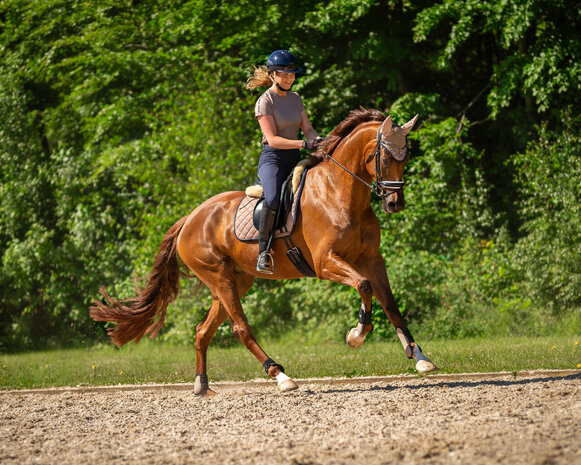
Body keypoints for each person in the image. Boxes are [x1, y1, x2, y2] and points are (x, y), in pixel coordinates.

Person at [246, 49, 323, 274]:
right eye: (284, 74)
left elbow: (307, 128)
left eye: (292, 74)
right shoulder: (264, 102)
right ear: (272, 75)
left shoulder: (295, 98)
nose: (289, 78)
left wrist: (316, 139)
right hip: (274, 159)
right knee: (272, 199)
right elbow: (273, 139)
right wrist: (303, 144)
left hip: (295, 157)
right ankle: (263, 252)